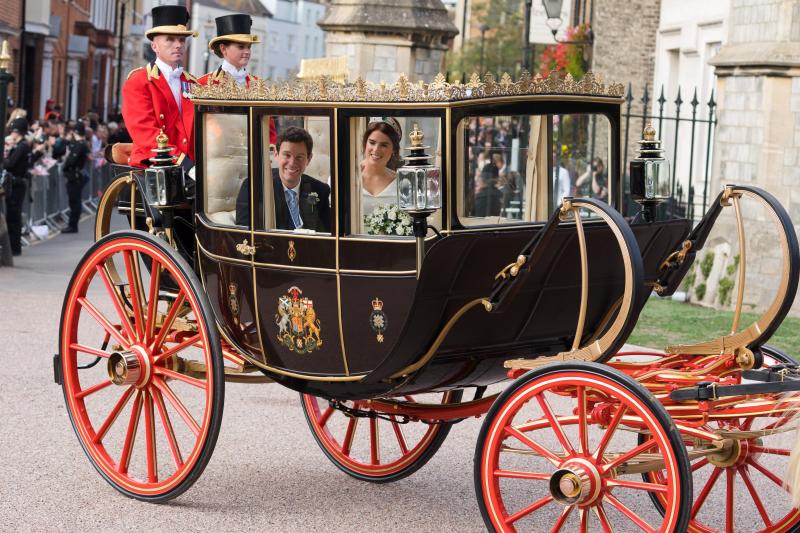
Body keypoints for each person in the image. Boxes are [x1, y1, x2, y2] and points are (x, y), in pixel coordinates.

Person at [122, 5, 198, 170]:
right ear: (154, 46)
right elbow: (145, 132)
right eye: (170, 39)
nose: (178, 45)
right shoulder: (139, 81)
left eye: (181, 40)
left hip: (192, 166)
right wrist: (183, 163)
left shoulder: (193, 83)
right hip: (154, 164)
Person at [198, 13, 276, 147]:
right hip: (219, 153)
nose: (247, 51)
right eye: (241, 47)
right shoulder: (204, 84)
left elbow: (268, 128)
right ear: (223, 49)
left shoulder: (258, 85)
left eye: (249, 47)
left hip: (254, 152)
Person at [235, 126, 330, 232]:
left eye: (299, 157)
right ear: (276, 153)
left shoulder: (320, 190)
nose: (292, 163)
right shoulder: (253, 187)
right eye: (287, 155)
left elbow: (326, 232)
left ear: (309, 159)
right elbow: (243, 232)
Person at [360, 118, 402, 222]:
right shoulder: (345, 177)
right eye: (372, 142)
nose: (376, 150)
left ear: (394, 150)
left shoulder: (401, 183)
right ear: (365, 144)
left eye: (384, 145)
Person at [2, 118, 31, 255]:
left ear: (17, 132)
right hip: (16, 183)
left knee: (14, 216)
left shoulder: (22, 146)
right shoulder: (20, 146)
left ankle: (14, 247)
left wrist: (4, 156)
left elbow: (10, 164)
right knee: (13, 216)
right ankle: (14, 246)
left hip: (17, 184)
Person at [61, 122, 90, 233]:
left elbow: (71, 161)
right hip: (75, 175)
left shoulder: (80, 145)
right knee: (74, 201)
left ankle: (73, 225)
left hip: (75, 176)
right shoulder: (81, 144)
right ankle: (72, 224)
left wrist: (66, 161)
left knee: (74, 201)